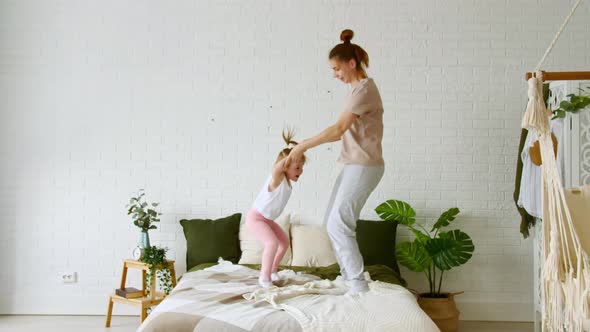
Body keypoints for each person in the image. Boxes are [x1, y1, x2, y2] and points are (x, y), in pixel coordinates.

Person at [287, 29, 384, 294]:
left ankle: (357, 283)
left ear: (351, 63)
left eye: (337, 68)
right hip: (355, 164)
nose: (335, 74)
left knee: (340, 224)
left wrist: (304, 145)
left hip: (365, 166)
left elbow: (338, 129)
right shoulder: (358, 90)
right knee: (331, 220)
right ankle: (349, 277)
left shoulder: (363, 90)